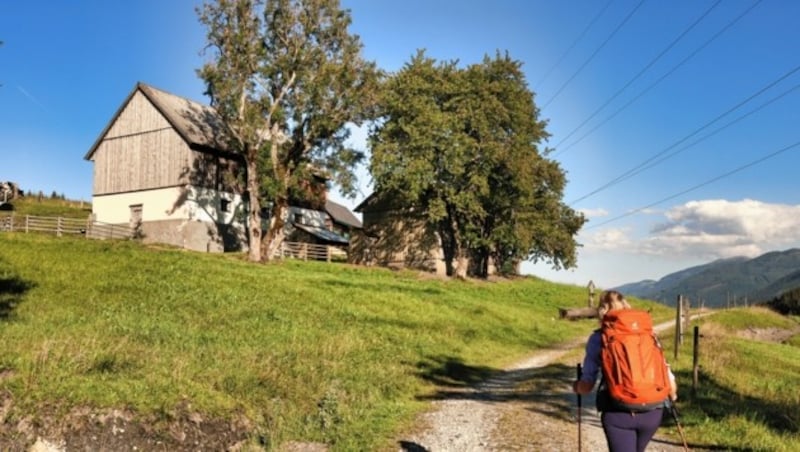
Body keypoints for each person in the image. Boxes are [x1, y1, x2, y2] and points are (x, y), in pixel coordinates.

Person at [572, 290, 678, 452]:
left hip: (619, 413)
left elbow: (586, 387)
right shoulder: (648, 335)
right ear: (627, 307)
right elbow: (671, 386)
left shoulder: (598, 338)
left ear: (602, 311)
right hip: (653, 412)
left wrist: (576, 386)